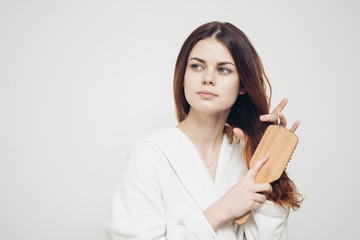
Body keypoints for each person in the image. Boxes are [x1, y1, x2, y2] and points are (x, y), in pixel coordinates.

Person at [106, 21, 302, 240]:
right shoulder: (149, 155)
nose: (208, 78)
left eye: (224, 69)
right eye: (197, 66)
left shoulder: (245, 152)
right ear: (183, 76)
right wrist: (221, 211)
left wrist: (270, 161)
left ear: (243, 85)